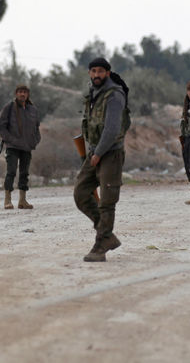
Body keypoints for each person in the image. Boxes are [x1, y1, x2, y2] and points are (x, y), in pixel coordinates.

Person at [73, 58, 130, 262]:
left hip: (110, 153)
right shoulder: (93, 94)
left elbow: (112, 128)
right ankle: (107, 234)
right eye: (93, 71)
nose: (96, 75)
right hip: (94, 151)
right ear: (89, 73)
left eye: (100, 71)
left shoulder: (114, 95)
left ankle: (101, 245)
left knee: (107, 201)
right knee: (80, 192)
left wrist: (98, 154)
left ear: (107, 73)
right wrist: (93, 152)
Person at [0, 84, 42, 210]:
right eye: (20, 92)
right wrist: (11, 140)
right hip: (13, 146)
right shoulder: (9, 107)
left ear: (28, 94)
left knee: (24, 173)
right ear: (16, 93)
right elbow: (1, 127)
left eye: (25, 92)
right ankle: (7, 200)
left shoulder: (33, 109)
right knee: (11, 171)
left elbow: (36, 127)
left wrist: (36, 140)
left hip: (27, 146)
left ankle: (22, 200)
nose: (23, 94)